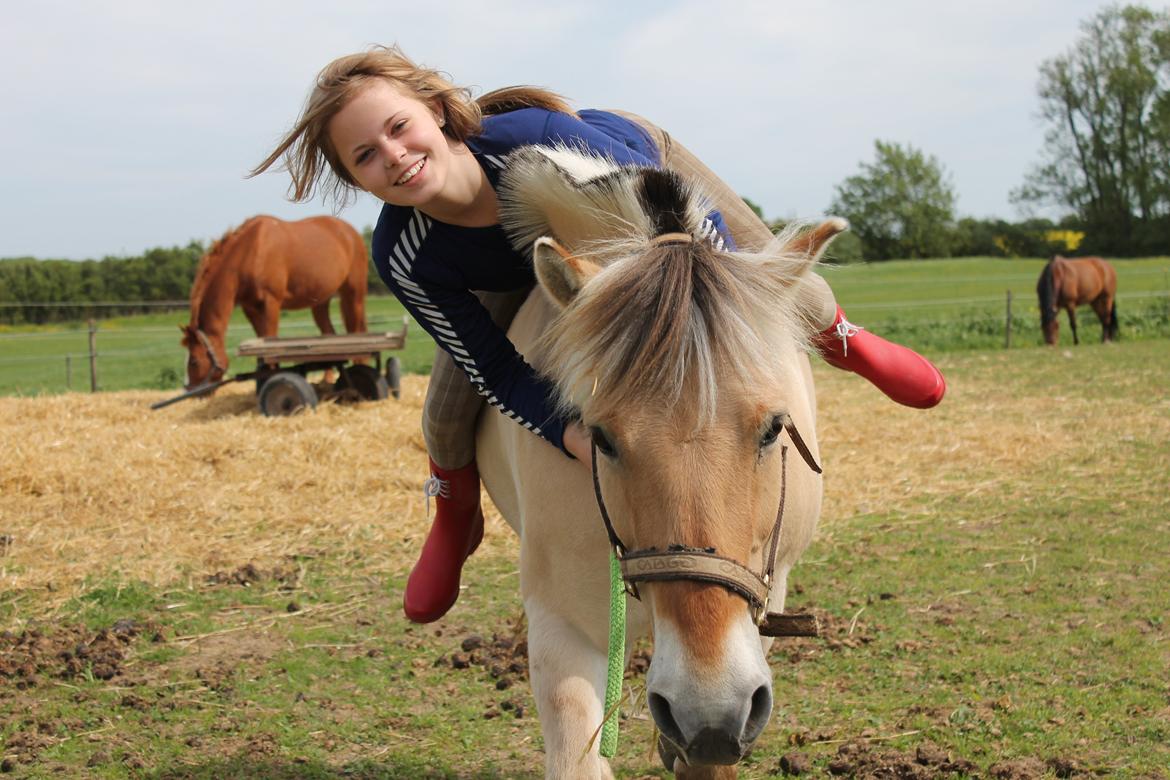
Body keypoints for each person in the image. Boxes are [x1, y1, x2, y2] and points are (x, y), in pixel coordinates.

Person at [254, 45, 946, 624]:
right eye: (366, 156)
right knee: (444, 409)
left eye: (400, 128)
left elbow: (690, 251)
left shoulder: (540, 138)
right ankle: (453, 512)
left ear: (436, 110)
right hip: (518, 265)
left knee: (765, 265)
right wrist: (566, 432)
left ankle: (844, 338)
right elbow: (493, 366)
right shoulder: (407, 253)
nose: (395, 156)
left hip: (647, 205)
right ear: (354, 178)